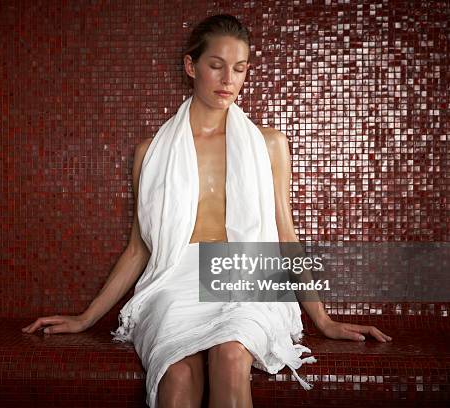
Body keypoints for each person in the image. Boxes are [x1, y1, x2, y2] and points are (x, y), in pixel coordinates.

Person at [22, 14, 392, 408]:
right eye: (216, 66)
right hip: (175, 282)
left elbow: (286, 235)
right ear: (191, 66)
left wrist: (323, 319)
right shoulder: (152, 153)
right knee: (177, 375)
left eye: (239, 69)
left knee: (231, 355)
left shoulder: (268, 144)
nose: (228, 80)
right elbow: (139, 249)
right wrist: (85, 318)